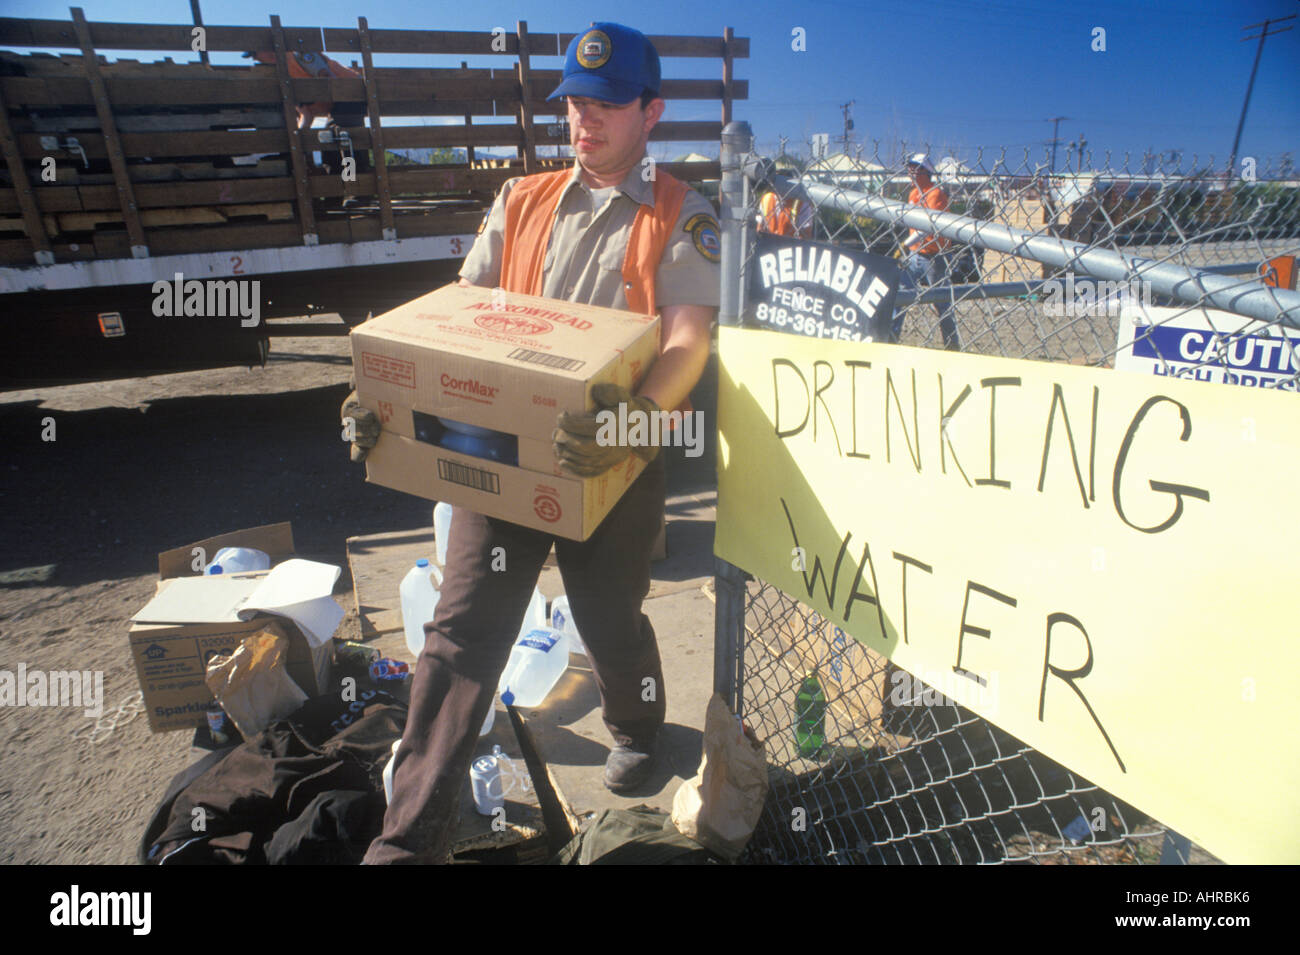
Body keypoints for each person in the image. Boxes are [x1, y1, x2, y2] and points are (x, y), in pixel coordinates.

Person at [342, 22, 720, 864]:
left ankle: (636, 722)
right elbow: (454, 321)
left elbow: (688, 343)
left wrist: (629, 422)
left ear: (652, 111)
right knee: (460, 629)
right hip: (500, 456)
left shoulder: (683, 213)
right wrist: (382, 395)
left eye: (608, 105)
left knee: (608, 614)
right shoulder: (521, 199)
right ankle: (406, 840)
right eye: (576, 103)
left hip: (612, 461)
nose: (585, 120)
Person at [892, 153, 960, 350]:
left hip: (934, 256)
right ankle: (891, 337)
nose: (910, 171)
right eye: (910, 167)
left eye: (915, 167)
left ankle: (951, 345)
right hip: (915, 254)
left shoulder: (935, 194)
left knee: (942, 302)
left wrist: (904, 244)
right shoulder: (914, 194)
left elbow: (928, 227)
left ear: (926, 172)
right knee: (901, 295)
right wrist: (907, 246)